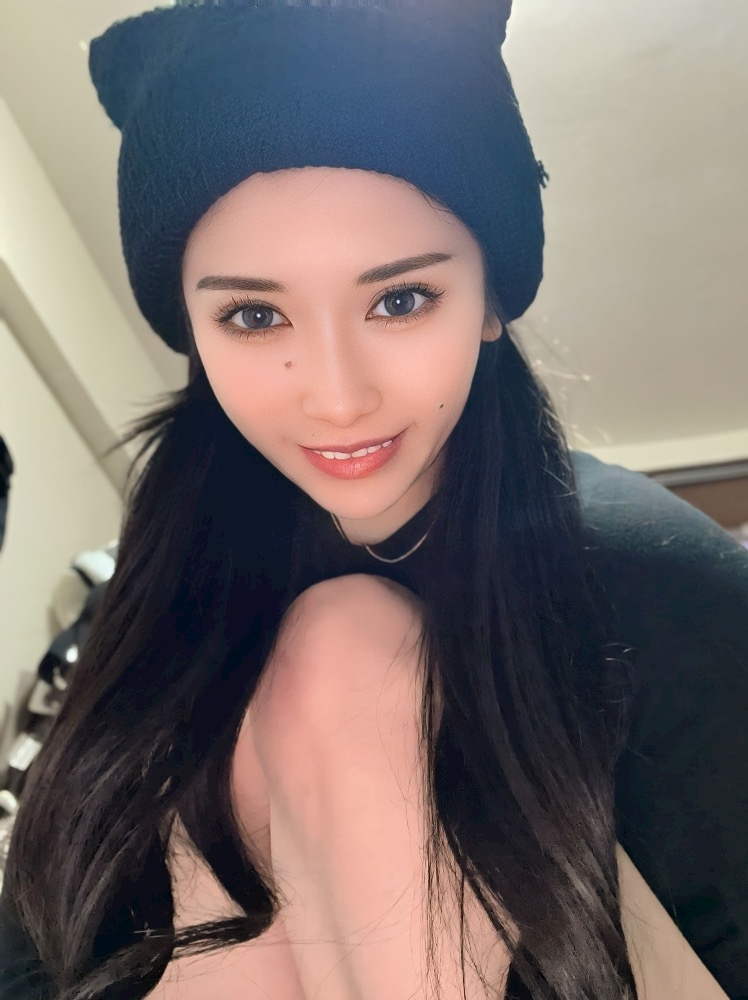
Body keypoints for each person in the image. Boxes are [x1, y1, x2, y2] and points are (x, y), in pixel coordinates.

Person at [0, 1, 746, 998]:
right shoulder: (183, 545)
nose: (337, 397)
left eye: (399, 299)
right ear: (193, 331)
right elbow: (45, 921)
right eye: (254, 316)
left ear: (490, 300)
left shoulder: (647, 583)